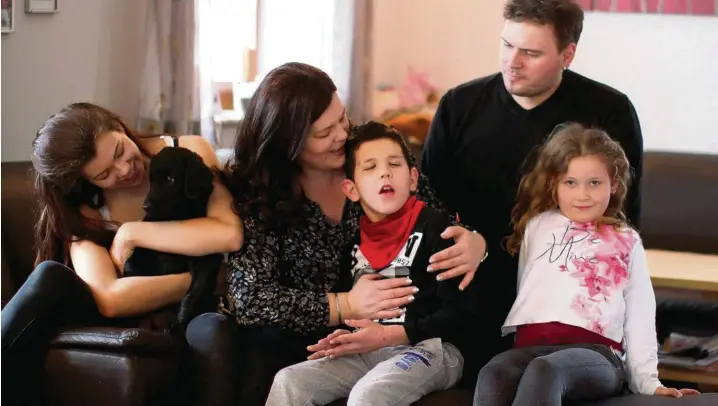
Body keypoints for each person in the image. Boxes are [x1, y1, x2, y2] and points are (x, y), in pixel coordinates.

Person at [221, 62, 487, 405]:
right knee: (286, 382)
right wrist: (344, 305)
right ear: (288, 143)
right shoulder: (262, 194)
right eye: (323, 132)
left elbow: (442, 224)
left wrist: (475, 242)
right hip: (316, 339)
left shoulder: (371, 151)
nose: (342, 135)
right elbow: (251, 300)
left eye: (342, 119)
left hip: (415, 335)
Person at [421, 0, 644, 374]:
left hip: (566, 302)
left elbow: (621, 222)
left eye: (531, 52)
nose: (513, 61)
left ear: (567, 55)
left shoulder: (609, 111)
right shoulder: (460, 106)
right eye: (507, 45)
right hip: (472, 293)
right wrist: (469, 241)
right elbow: (428, 206)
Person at [0, 102, 242, 406]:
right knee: (50, 276)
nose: (126, 169)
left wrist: (132, 232)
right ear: (86, 181)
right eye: (104, 174)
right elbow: (111, 298)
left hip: (190, 313)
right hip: (127, 312)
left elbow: (228, 233)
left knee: (212, 331)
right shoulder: (84, 206)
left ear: (119, 125)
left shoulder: (187, 149)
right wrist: (202, 279)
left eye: (119, 151)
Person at [474, 123, 700, 405]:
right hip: (531, 348)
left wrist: (647, 382)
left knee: (546, 371)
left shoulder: (625, 239)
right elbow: (528, 290)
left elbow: (640, 313)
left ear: (613, 185)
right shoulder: (537, 227)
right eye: (570, 183)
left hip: (597, 356)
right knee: (494, 372)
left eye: (594, 183)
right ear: (554, 186)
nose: (582, 194)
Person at [265, 121, 477, 406]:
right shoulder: (353, 242)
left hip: (431, 349)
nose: (384, 172)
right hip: (370, 351)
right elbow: (353, 311)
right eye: (370, 168)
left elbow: (461, 313)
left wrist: (390, 335)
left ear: (413, 179)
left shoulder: (437, 230)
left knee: (369, 395)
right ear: (351, 190)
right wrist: (344, 335)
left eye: (394, 164)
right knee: (289, 381)